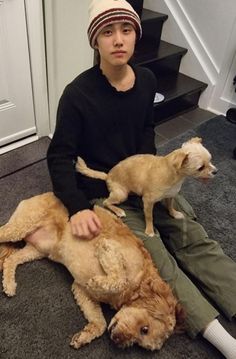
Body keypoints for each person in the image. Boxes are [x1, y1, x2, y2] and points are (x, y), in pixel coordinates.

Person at [47, 0, 236, 357]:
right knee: (156, 262)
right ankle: (225, 342)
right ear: (95, 42)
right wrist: (76, 207)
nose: (118, 39)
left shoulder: (147, 80)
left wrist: (158, 173)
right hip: (107, 193)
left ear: (136, 35)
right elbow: (59, 156)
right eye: (107, 32)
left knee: (192, 236)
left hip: (148, 181)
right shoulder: (76, 95)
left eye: (126, 30)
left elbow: (146, 130)